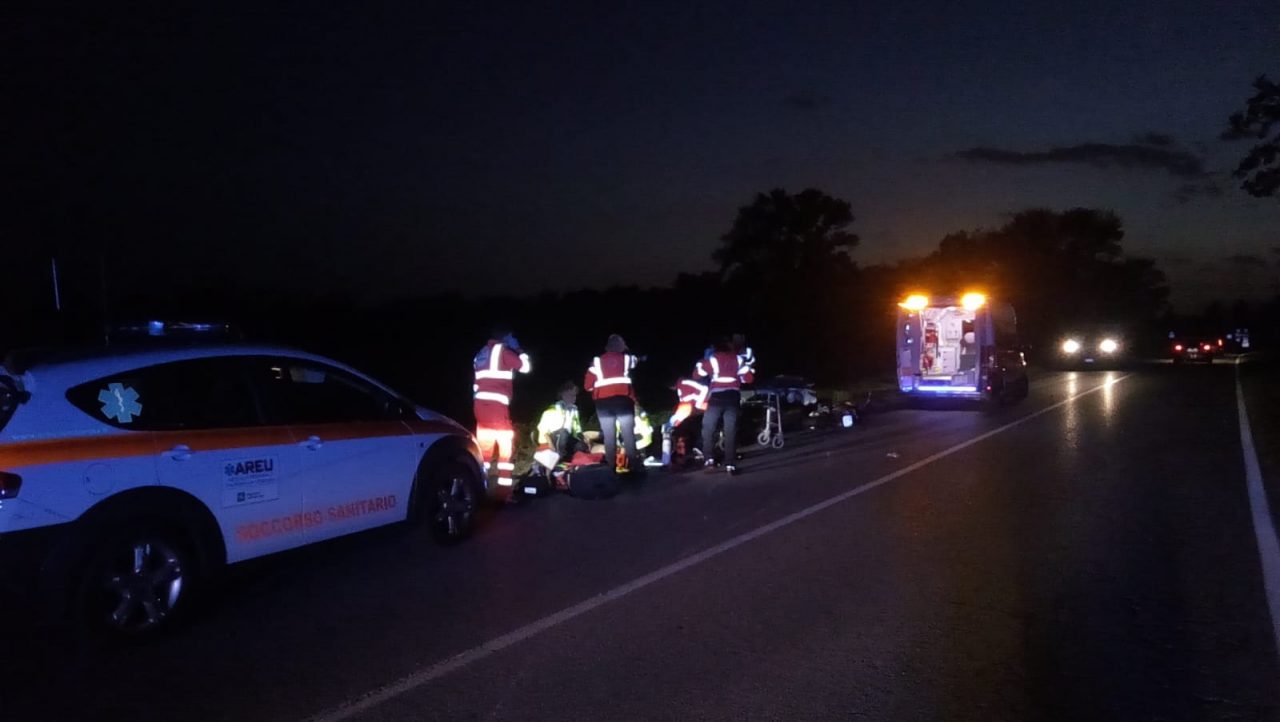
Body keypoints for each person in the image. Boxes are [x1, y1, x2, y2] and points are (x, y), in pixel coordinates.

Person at [473, 329, 532, 495]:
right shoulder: (503, 351)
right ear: (505, 338)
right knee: (505, 449)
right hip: (497, 408)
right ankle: (504, 490)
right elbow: (525, 367)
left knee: (484, 451)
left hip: (480, 408)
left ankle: (480, 488)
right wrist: (518, 349)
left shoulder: (481, 353)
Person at [695, 337, 754, 475]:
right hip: (733, 398)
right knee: (730, 430)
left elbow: (697, 375)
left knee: (708, 428)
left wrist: (702, 364)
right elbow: (749, 378)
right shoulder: (738, 359)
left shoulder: (713, 359)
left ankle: (709, 460)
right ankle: (730, 465)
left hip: (716, 398)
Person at [584, 334, 641, 474]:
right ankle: (634, 467)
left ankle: (611, 469)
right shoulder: (627, 359)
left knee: (609, 436)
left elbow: (588, 386)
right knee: (628, 434)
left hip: (603, 404)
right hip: (623, 401)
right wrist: (626, 349)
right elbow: (635, 360)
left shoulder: (596, 362)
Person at [534, 381, 584, 471]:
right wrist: (551, 446)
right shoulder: (551, 411)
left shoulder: (574, 411)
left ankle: (575, 465)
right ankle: (558, 462)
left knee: (580, 445)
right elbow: (543, 432)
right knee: (563, 432)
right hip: (550, 441)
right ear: (563, 395)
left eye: (575, 395)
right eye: (571, 395)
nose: (574, 398)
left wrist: (584, 440)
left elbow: (577, 431)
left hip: (565, 440)